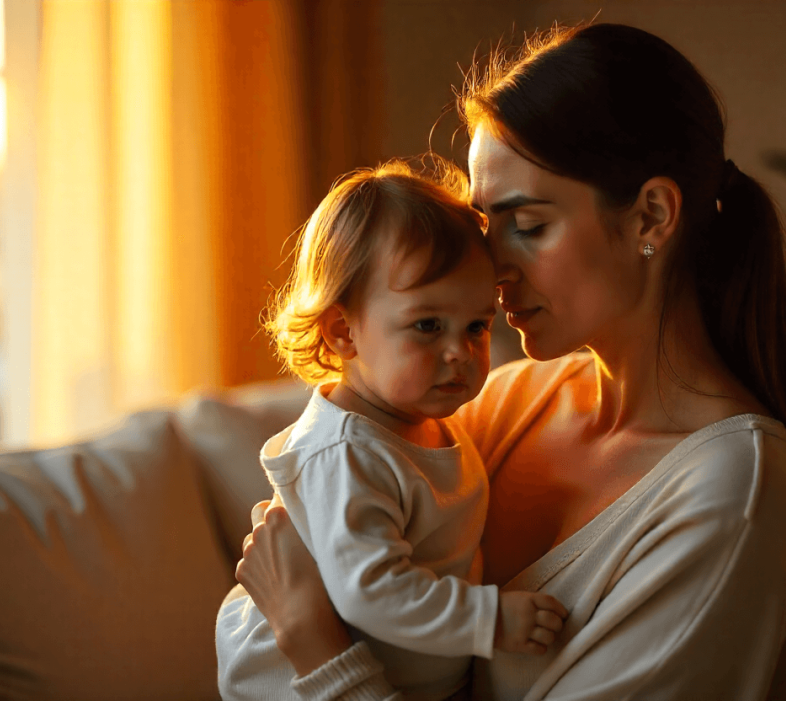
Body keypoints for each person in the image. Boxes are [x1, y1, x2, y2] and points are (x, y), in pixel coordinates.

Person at [234, 23, 786, 701]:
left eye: (527, 225)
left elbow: (318, 604)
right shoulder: (506, 400)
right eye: (484, 226)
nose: (492, 268)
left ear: (650, 216)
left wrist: (309, 637)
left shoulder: (735, 495)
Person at [215, 161, 570, 701]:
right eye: (427, 325)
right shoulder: (344, 451)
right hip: (292, 683)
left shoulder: (429, 426)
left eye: (476, 325)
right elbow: (370, 590)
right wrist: (490, 620)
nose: (460, 352)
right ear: (343, 332)